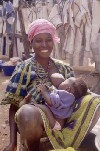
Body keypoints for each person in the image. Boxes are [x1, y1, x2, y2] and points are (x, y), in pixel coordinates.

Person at [1, 19, 100, 151]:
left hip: (62, 123)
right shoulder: (24, 68)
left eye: (48, 39)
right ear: (31, 43)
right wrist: (12, 142)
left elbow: (78, 94)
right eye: (38, 40)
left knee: (94, 100)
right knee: (28, 111)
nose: (44, 45)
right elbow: (14, 106)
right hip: (33, 126)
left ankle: (66, 140)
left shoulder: (64, 68)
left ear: (53, 40)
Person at [20, 73, 88, 131]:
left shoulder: (65, 94)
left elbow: (51, 102)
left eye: (64, 82)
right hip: (60, 117)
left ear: (68, 88)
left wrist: (44, 91)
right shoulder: (71, 98)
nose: (61, 83)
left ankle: (53, 123)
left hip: (53, 116)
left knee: (43, 108)